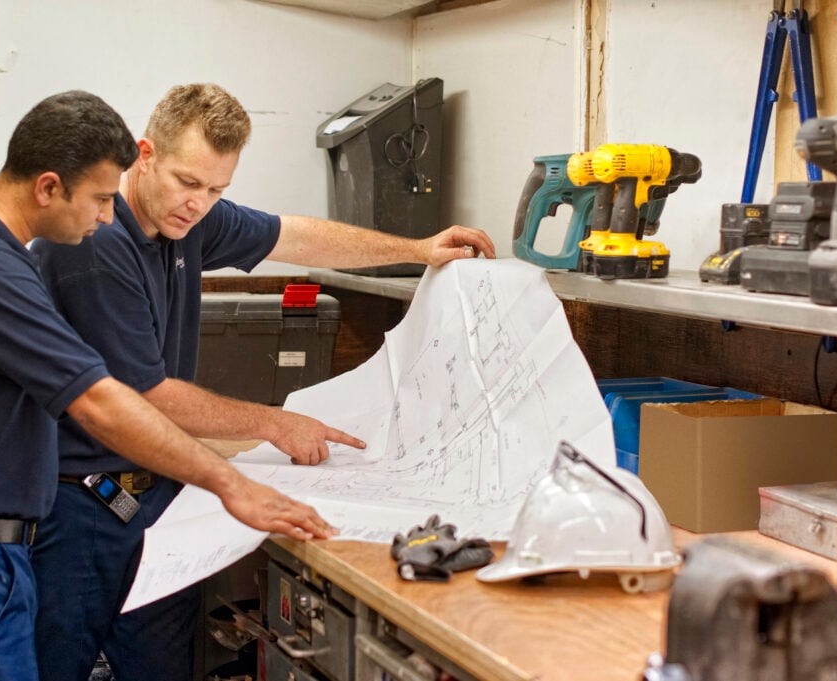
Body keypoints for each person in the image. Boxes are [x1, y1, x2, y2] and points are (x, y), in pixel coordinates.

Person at [30, 83, 496, 681]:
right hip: (79, 508)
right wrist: (276, 422)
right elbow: (148, 395)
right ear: (143, 154)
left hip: (160, 495)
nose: (198, 204)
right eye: (186, 182)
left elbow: (295, 236)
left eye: (217, 189)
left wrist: (417, 248)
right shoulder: (95, 243)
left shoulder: (186, 221)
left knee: (164, 667)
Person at [0, 90, 334, 681]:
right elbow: (103, 397)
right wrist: (229, 482)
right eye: (98, 198)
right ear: (48, 187)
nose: (107, 215)